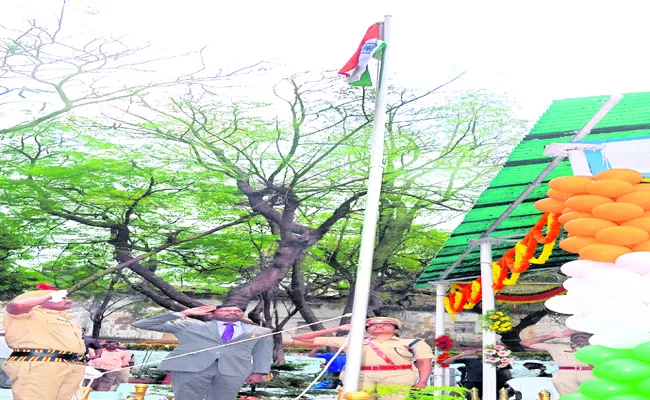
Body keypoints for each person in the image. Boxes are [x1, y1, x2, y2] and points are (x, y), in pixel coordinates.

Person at [131, 304, 273, 400]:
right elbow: (142, 324)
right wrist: (184, 313)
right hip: (190, 368)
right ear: (211, 314)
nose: (232, 312)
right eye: (226, 310)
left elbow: (263, 353)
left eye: (237, 311)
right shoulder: (189, 325)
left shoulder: (261, 331)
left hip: (234, 370)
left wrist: (259, 372)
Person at [292, 317, 433, 399]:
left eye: (385, 324)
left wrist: (422, 382)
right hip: (361, 376)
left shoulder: (412, 342)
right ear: (367, 329)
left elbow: (424, 362)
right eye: (373, 325)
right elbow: (298, 338)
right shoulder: (352, 340)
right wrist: (338, 329)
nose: (378, 326)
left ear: (396, 329)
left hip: (398, 376)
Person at [2, 286, 86, 400]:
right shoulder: (29, 315)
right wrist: (49, 295)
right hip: (41, 364)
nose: (68, 300)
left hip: (72, 365)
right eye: (62, 298)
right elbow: (16, 306)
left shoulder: (68, 321)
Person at [520, 329, 593, 396]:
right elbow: (525, 343)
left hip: (592, 375)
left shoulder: (600, 347)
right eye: (575, 334)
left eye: (584, 333)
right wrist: (553, 335)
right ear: (570, 337)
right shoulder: (558, 347)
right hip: (565, 377)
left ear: (591, 335)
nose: (579, 335)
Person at [443, 349, 513, 399]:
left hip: (493, 383)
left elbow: (507, 372)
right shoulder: (470, 359)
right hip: (473, 382)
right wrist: (462, 354)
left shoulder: (498, 360)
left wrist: (510, 382)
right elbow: (445, 362)